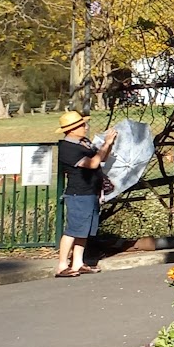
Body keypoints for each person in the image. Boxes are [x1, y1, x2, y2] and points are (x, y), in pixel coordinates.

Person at [55, 109, 115, 277]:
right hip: (78, 194)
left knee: (84, 230)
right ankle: (62, 265)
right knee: (73, 230)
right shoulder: (68, 148)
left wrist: (109, 144)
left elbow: (102, 158)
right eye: (82, 125)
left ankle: (78, 263)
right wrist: (105, 145)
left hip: (91, 192)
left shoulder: (84, 143)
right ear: (71, 130)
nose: (86, 127)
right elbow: (92, 164)